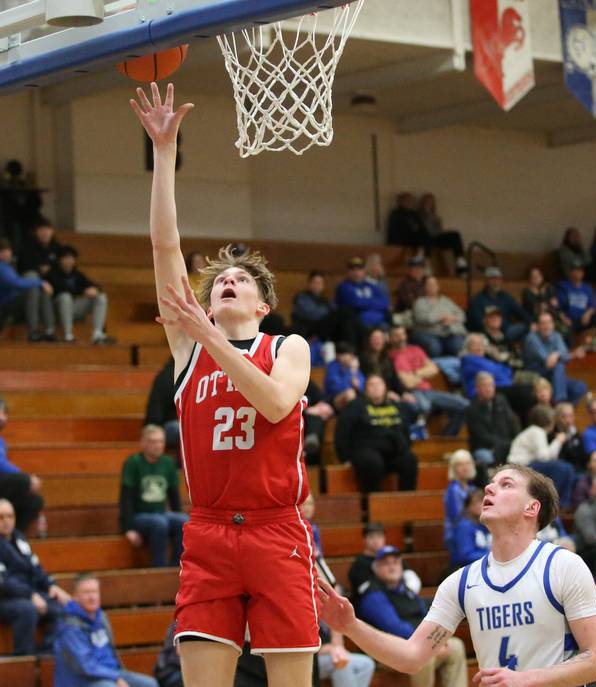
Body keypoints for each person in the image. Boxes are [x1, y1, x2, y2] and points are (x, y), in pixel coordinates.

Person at [132, 83, 318, 685]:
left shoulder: (288, 348)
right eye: (219, 281)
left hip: (276, 529)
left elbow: (272, 404)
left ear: (264, 305)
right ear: (208, 303)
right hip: (210, 529)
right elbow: (166, 245)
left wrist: (209, 337)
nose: (227, 283)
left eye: (242, 280)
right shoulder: (188, 346)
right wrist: (164, 153)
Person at [319, 465, 596, 686]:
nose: (489, 488)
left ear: (532, 508)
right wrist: (351, 626)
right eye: (491, 484)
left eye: (506, 484)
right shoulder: (461, 582)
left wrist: (525, 680)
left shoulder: (563, 566)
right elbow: (411, 658)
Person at [355, 545, 468, 687]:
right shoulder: (373, 594)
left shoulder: (406, 589)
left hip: (413, 645)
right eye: (386, 564)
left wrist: (440, 639)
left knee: (456, 646)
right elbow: (394, 627)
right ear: (376, 569)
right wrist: (430, 642)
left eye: (395, 562)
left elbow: (426, 614)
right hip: (385, 651)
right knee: (424, 655)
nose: (392, 567)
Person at [54, 573, 159, 687]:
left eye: (94, 592)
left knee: (150, 684)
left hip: (111, 673)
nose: (92, 597)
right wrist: (115, 678)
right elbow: (86, 666)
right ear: (75, 596)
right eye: (86, 592)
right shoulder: (70, 626)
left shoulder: (101, 617)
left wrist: (116, 676)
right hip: (84, 680)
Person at [0, 498, 70, 655]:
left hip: (28, 595)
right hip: (5, 599)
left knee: (64, 607)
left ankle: (45, 656)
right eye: (1, 517)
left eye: (10, 516)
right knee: (27, 610)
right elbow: (4, 582)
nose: (6, 521)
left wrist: (52, 585)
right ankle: (23, 659)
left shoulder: (19, 538)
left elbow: (36, 568)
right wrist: (30, 594)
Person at [119, 425, 188, 568]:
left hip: (160, 513)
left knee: (184, 521)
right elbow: (126, 498)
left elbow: (174, 495)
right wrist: (128, 529)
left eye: (161, 441)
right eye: (153, 441)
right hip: (139, 515)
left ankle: (177, 566)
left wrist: (177, 513)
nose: (158, 445)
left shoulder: (168, 463)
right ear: (143, 443)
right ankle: (159, 568)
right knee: (159, 523)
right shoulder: (133, 463)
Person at [335, 375, 418, 493]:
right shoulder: (356, 405)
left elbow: (405, 429)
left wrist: (405, 446)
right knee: (373, 463)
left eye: (379, 384)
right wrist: (344, 457)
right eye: (371, 385)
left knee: (409, 459)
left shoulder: (396, 405)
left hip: (392, 450)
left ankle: (406, 501)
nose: (376, 388)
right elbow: (342, 431)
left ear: (385, 388)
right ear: (366, 389)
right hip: (365, 449)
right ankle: (373, 504)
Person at [388, 325, 468, 436]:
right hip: (412, 393)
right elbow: (408, 383)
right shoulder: (391, 356)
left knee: (464, 405)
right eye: (397, 336)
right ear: (390, 339)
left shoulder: (416, 349)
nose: (401, 338)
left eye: (403, 334)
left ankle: (446, 439)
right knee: (424, 406)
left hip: (429, 391)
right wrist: (424, 372)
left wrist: (415, 373)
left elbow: (434, 369)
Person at [508, 405, 575, 507]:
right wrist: (558, 441)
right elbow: (544, 457)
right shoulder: (537, 431)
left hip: (525, 465)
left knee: (565, 467)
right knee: (563, 468)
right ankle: (555, 503)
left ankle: (560, 503)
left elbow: (547, 456)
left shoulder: (535, 431)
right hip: (520, 467)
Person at [460, 333, 536, 423]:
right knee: (525, 393)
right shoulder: (468, 360)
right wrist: (500, 371)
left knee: (532, 389)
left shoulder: (485, 360)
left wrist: (500, 369)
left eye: (481, 344)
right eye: (475, 344)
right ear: (468, 347)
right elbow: (498, 373)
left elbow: (507, 371)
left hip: (500, 386)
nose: (479, 347)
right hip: (483, 392)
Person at [47, 246, 112, 344]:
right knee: (65, 297)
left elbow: (91, 284)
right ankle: (68, 334)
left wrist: (95, 289)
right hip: (57, 310)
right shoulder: (52, 273)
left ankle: (98, 333)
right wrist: (83, 291)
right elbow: (61, 288)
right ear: (59, 260)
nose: (69, 261)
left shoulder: (77, 274)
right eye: (66, 258)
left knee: (100, 297)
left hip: (74, 309)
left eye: (71, 258)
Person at [0, 397, 45, 534]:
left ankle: (12, 537)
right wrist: (26, 480)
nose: (2, 417)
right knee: (22, 481)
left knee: (34, 501)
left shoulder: (1, 442)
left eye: (5, 413)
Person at [522, 311, 587, 403]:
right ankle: (559, 403)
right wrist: (571, 354)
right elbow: (548, 362)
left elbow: (565, 357)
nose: (546, 326)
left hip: (554, 376)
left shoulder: (556, 336)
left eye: (549, 322)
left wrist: (557, 354)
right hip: (536, 375)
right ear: (537, 326)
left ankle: (563, 411)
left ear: (553, 324)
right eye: (543, 323)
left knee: (580, 387)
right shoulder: (531, 338)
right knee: (559, 366)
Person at [0, 238, 54, 340]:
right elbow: (16, 283)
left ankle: (49, 330)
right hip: (5, 307)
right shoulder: (1, 267)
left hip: (10, 303)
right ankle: (33, 331)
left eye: (8, 250)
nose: (7, 254)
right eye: (3, 251)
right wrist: (40, 282)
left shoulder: (8, 266)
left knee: (39, 290)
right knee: (33, 287)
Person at [464, 371, 519, 470]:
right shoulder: (472, 409)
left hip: (506, 443)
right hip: (486, 447)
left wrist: (516, 440)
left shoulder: (501, 401)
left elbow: (512, 422)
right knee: (485, 457)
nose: (489, 389)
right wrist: (503, 445)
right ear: (477, 388)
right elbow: (481, 436)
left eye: (491, 385)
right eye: (485, 386)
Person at [16, 218, 59, 341]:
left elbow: (59, 271)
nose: (45, 233)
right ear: (36, 232)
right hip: (26, 288)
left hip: (49, 287)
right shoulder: (26, 246)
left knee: (45, 290)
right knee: (33, 281)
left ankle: (49, 330)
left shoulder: (56, 248)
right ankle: (33, 330)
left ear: (52, 231)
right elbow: (22, 268)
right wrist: (39, 272)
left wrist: (47, 275)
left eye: (48, 229)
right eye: (42, 230)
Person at [291, 271, 356, 347]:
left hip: (324, 329)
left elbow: (335, 311)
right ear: (309, 284)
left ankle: (350, 348)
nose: (317, 285)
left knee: (346, 316)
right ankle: (350, 347)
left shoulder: (325, 300)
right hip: (309, 329)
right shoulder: (302, 297)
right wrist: (329, 313)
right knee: (342, 314)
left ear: (323, 285)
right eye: (315, 282)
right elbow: (311, 314)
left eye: (320, 283)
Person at [466, 266, 529, 341]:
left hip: (506, 332)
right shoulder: (477, 300)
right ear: (486, 281)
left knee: (529, 328)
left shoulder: (505, 297)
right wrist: (492, 330)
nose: (496, 282)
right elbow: (478, 322)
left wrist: (531, 323)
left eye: (499, 279)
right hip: (485, 335)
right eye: (493, 279)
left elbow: (520, 311)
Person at [411, 275, 466, 358]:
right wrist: (440, 317)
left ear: (438, 286)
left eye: (434, 284)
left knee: (457, 346)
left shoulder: (446, 300)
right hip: (427, 333)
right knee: (435, 347)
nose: (432, 287)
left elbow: (462, 315)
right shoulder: (420, 302)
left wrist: (452, 318)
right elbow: (422, 318)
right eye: (429, 285)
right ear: (424, 287)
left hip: (448, 333)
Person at [335, 257, 391, 335]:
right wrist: (373, 301)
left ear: (364, 271)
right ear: (348, 272)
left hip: (379, 323)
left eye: (359, 269)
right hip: (358, 326)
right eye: (353, 269)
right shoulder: (344, 287)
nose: (356, 272)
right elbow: (356, 303)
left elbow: (385, 302)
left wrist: (365, 302)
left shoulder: (370, 286)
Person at [557, 262, 596, 345]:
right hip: (569, 321)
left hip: (584, 320)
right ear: (570, 272)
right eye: (575, 271)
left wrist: (587, 314)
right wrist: (564, 319)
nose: (578, 274)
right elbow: (558, 307)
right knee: (569, 342)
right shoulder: (563, 286)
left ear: (583, 273)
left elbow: (592, 306)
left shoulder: (587, 287)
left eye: (580, 271)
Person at [416, 193, 468, 273]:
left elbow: (438, 231)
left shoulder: (435, 216)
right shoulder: (417, 215)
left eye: (431, 201)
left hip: (435, 238)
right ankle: (426, 263)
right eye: (427, 201)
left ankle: (460, 261)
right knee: (425, 235)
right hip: (424, 239)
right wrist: (426, 214)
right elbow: (423, 228)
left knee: (455, 235)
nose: (429, 203)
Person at [444, 451, 477, 554]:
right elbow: (457, 518)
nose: (465, 467)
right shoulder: (453, 489)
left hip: (472, 531)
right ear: (453, 469)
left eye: (467, 463)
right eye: (460, 464)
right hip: (457, 535)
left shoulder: (472, 488)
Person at [144, 358, 180, 449]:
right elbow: (155, 408)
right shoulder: (167, 375)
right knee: (187, 431)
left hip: (179, 421)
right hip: (166, 424)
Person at [451, 490, 491, 567]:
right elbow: (466, 555)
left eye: (482, 502)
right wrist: (492, 556)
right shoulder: (464, 526)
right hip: (465, 569)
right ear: (468, 507)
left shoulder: (484, 524)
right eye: (475, 503)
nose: (480, 506)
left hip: (483, 565)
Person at [324, 342, 364, 411]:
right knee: (350, 393)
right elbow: (336, 388)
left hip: (354, 398)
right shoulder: (332, 366)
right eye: (345, 354)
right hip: (334, 399)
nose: (349, 357)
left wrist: (354, 373)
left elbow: (362, 386)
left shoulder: (353, 367)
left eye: (351, 355)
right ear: (337, 355)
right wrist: (351, 373)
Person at [552, 402, 585, 473]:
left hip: (578, 469)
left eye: (571, 416)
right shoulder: (552, 434)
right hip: (561, 470)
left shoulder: (575, 433)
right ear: (557, 418)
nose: (568, 420)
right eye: (564, 417)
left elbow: (581, 456)